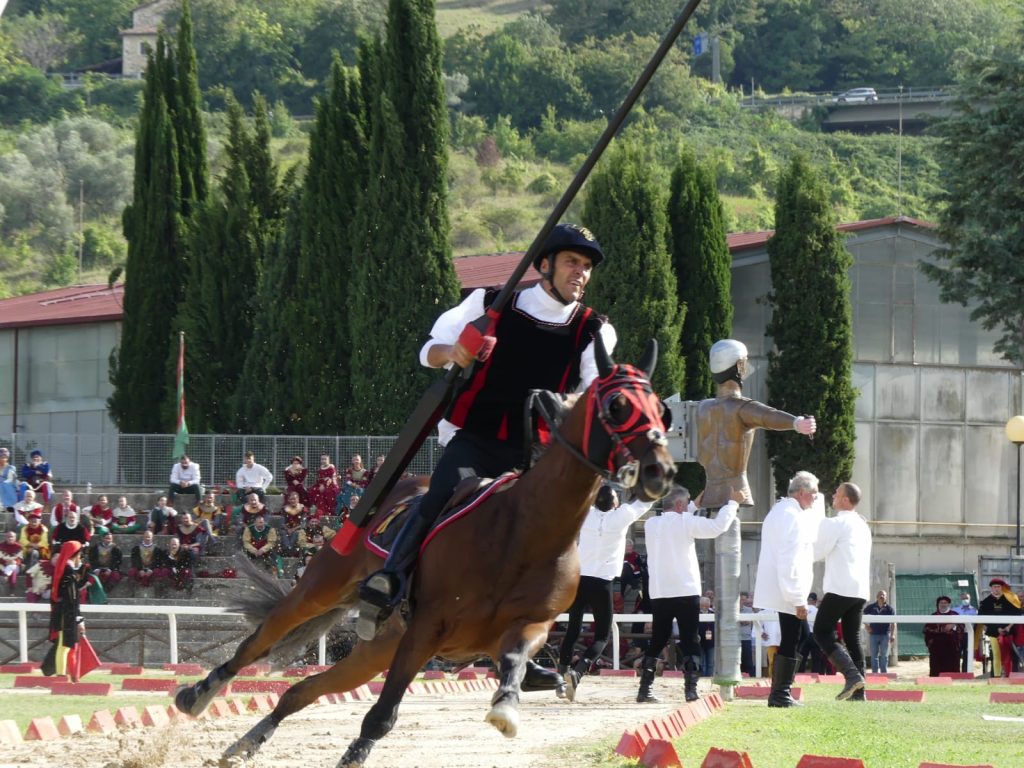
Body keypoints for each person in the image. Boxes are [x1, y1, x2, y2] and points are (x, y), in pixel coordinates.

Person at [358, 223, 616, 653]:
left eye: (587, 266)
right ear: (544, 265)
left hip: (537, 456)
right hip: (476, 438)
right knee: (439, 495)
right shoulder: (491, 302)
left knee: (543, 538)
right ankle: (390, 582)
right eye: (573, 262)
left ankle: (523, 640)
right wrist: (455, 353)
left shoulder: (595, 331)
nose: (581, 273)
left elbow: (593, 397)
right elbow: (429, 350)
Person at [637, 487, 742, 704]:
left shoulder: (651, 524)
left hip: (660, 592)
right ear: (679, 506)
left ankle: (644, 689)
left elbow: (677, 522)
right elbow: (717, 527)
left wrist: (693, 505)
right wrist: (732, 504)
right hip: (685, 591)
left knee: (658, 640)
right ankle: (690, 690)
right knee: (690, 640)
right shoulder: (686, 521)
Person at [557, 484, 653, 701]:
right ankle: (578, 671)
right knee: (602, 635)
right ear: (615, 502)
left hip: (579, 578)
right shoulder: (620, 517)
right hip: (602, 582)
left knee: (573, 628)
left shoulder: (586, 514)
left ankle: (561, 679)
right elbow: (646, 502)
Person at [753, 471, 824, 707]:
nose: (816, 499)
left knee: (800, 636)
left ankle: (781, 690)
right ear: (802, 493)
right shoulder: (791, 516)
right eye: (814, 494)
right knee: (793, 637)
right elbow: (790, 559)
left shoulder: (782, 511)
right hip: (788, 590)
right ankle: (780, 693)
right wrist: (797, 598)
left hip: (785, 587)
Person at [812, 482, 871, 701]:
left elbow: (817, 551)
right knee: (853, 639)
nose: (833, 496)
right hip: (859, 590)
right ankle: (860, 692)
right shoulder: (862, 524)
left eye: (837, 494)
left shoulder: (838, 523)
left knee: (821, 631)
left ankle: (851, 675)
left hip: (840, 587)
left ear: (845, 500)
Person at [45, 541, 87, 679]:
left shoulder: (65, 570)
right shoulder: (69, 572)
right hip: (66, 612)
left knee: (64, 645)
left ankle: (64, 674)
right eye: (80, 554)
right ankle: (61, 676)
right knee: (64, 646)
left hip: (63, 611)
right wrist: (78, 618)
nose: (81, 557)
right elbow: (72, 598)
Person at [979, 578, 1021, 678]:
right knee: (996, 654)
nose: (996, 589)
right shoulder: (985, 602)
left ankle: (1010, 676)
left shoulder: (1010, 600)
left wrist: (1008, 627)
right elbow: (982, 620)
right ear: (991, 588)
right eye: (994, 587)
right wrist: (996, 629)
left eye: (998, 587)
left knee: (1011, 655)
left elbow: (1017, 615)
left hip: (1009, 633)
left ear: (1002, 588)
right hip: (993, 633)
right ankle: (997, 677)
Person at [925, 595, 964, 677]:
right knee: (936, 668)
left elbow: (962, 627)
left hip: (952, 646)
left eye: (945, 603)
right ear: (938, 604)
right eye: (941, 603)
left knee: (952, 666)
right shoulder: (933, 616)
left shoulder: (955, 615)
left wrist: (953, 626)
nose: (943, 604)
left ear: (949, 604)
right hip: (937, 647)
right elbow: (927, 630)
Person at [863, 589, 896, 674]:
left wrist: (892, 635)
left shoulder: (890, 609)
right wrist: (866, 627)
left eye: (883, 595)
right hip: (873, 635)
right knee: (874, 656)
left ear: (886, 597)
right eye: (880, 595)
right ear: (876, 597)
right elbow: (861, 616)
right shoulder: (871, 607)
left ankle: (884, 674)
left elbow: (893, 622)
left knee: (884, 656)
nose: (881, 597)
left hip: (885, 635)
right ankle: (874, 674)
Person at [799, 593, 826, 674]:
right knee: (816, 659)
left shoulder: (803, 610)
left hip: (804, 635)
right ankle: (816, 675)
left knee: (802, 658)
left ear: (807, 600)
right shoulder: (818, 611)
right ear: (815, 601)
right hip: (815, 636)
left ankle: (800, 675)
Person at [308, 454, 338, 519]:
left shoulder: (331, 468)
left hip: (330, 484)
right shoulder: (320, 468)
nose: (323, 460)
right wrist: (320, 484)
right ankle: (316, 510)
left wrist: (324, 485)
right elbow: (320, 478)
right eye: (322, 459)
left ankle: (328, 511)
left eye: (325, 459)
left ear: (328, 460)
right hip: (321, 483)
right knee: (312, 491)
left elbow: (331, 478)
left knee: (327, 492)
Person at [279, 491, 308, 556]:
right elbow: (282, 522)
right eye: (291, 499)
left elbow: (303, 523)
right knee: (283, 533)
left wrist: (293, 529)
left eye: (294, 499)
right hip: (286, 529)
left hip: (298, 529)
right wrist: (287, 529)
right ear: (288, 500)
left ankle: (288, 550)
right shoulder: (284, 509)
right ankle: (289, 550)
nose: (292, 501)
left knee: (296, 533)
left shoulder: (303, 509)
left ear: (298, 499)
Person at [957, 592, 978, 673]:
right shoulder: (955, 610)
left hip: (969, 635)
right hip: (958, 635)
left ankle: (966, 673)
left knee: (967, 654)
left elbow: (976, 624)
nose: (965, 600)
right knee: (956, 654)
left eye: (966, 598)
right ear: (960, 599)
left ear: (970, 599)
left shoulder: (975, 611)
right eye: (963, 598)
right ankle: (955, 672)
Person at [739, 592, 756, 678]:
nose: (742, 601)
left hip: (746, 638)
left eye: (744, 599)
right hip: (735, 639)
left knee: (748, 660)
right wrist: (742, 621)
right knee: (738, 660)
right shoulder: (732, 610)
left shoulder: (749, 610)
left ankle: (751, 676)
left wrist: (738, 621)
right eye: (741, 599)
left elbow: (749, 621)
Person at [698, 596, 715, 677]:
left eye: (706, 605)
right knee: (701, 663)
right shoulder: (695, 613)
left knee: (711, 663)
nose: (704, 607)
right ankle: (701, 678)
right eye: (702, 605)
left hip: (711, 641)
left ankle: (709, 678)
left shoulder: (713, 613)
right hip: (699, 641)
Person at [0, 447, 18, 512]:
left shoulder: (11, 467)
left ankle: (9, 506)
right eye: (1, 456)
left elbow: (10, 479)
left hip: (8, 485)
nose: (3, 458)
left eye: (5, 457)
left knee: (5, 485)